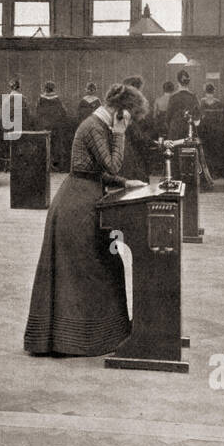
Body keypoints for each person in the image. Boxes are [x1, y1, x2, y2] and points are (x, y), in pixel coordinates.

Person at [24, 84, 149, 357]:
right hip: (77, 206)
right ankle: (77, 339)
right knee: (92, 268)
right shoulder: (95, 126)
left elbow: (97, 171)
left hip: (84, 199)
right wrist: (120, 133)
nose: (129, 121)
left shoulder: (98, 125)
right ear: (121, 111)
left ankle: (102, 334)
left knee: (103, 265)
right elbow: (112, 165)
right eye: (129, 115)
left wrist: (127, 183)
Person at [119, 76, 154, 181]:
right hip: (132, 149)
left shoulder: (123, 106)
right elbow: (138, 133)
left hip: (130, 147)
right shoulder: (131, 108)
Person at [33, 81, 69, 170]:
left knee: (43, 145)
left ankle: (43, 165)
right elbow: (64, 112)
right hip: (55, 126)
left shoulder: (41, 99)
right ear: (53, 89)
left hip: (44, 126)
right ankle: (55, 165)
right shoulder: (57, 99)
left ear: (45, 89)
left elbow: (37, 112)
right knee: (56, 145)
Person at [197, 83, 224, 177]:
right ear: (214, 91)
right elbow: (223, 117)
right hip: (216, 129)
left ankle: (206, 172)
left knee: (205, 150)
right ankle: (215, 172)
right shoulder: (219, 102)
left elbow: (198, 116)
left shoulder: (201, 102)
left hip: (205, 129)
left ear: (204, 90)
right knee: (215, 150)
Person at [165, 70, 201, 141]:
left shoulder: (173, 97)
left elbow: (168, 118)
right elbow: (197, 118)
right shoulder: (193, 97)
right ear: (188, 83)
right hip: (189, 131)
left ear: (178, 83)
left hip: (175, 132)